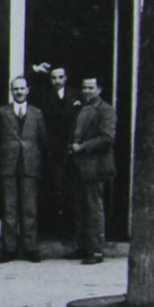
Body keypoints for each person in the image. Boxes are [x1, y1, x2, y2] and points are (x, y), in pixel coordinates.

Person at [0, 76, 48, 262]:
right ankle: (9, 249)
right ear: (11, 91)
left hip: (30, 165)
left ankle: (30, 248)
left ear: (28, 90)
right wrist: (3, 158)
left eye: (22, 89)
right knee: (10, 208)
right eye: (15, 89)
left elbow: (43, 139)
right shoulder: (2, 113)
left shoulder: (37, 113)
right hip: (9, 165)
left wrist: (36, 158)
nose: (19, 92)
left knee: (29, 208)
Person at [30, 62, 82, 242]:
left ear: (66, 78)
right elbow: (28, 88)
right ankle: (57, 230)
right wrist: (35, 72)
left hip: (72, 149)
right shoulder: (45, 95)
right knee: (55, 189)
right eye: (53, 78)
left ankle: (72, 232)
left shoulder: (76, 95)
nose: (57, 81)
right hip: (53, 150)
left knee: (72, 192)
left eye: (60, 77)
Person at [69, 76, 116, 265]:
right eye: (84, 87)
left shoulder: (106, 110)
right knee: (80, 209)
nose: (87, 91)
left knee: (94, 209)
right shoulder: (81, 108)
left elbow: (107, 138)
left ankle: (96, 251)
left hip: (95, 167)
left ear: (99, 89)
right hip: (79, 166)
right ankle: (83, 247)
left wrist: (83, 147)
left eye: (90, 87)